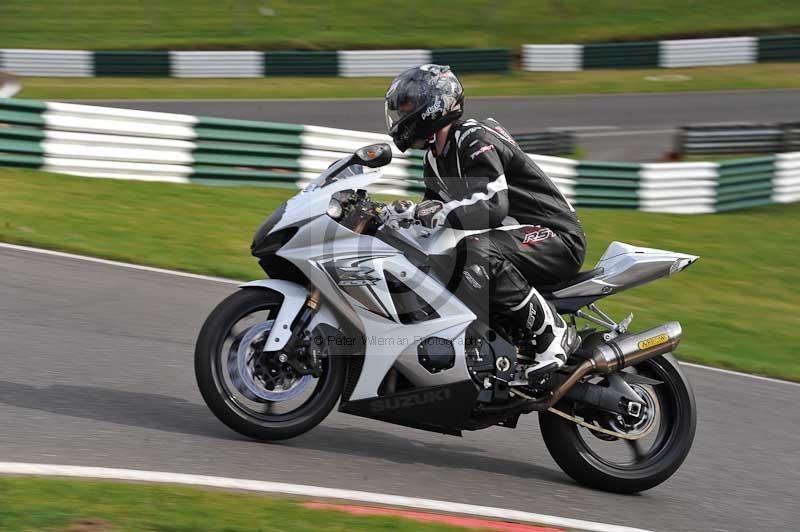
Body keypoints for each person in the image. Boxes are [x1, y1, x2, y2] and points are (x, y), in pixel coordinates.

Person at [381, 64, 586, 380]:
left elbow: (492, 203)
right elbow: (431, 214)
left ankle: (553, 334)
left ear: (434, 104)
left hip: (556, 238)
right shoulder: (434, 158)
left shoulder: (474, 138)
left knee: (475, 249)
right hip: (513, 239)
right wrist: (398, 218)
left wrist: (432, 214)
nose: (400, 114)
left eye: (406, 105)